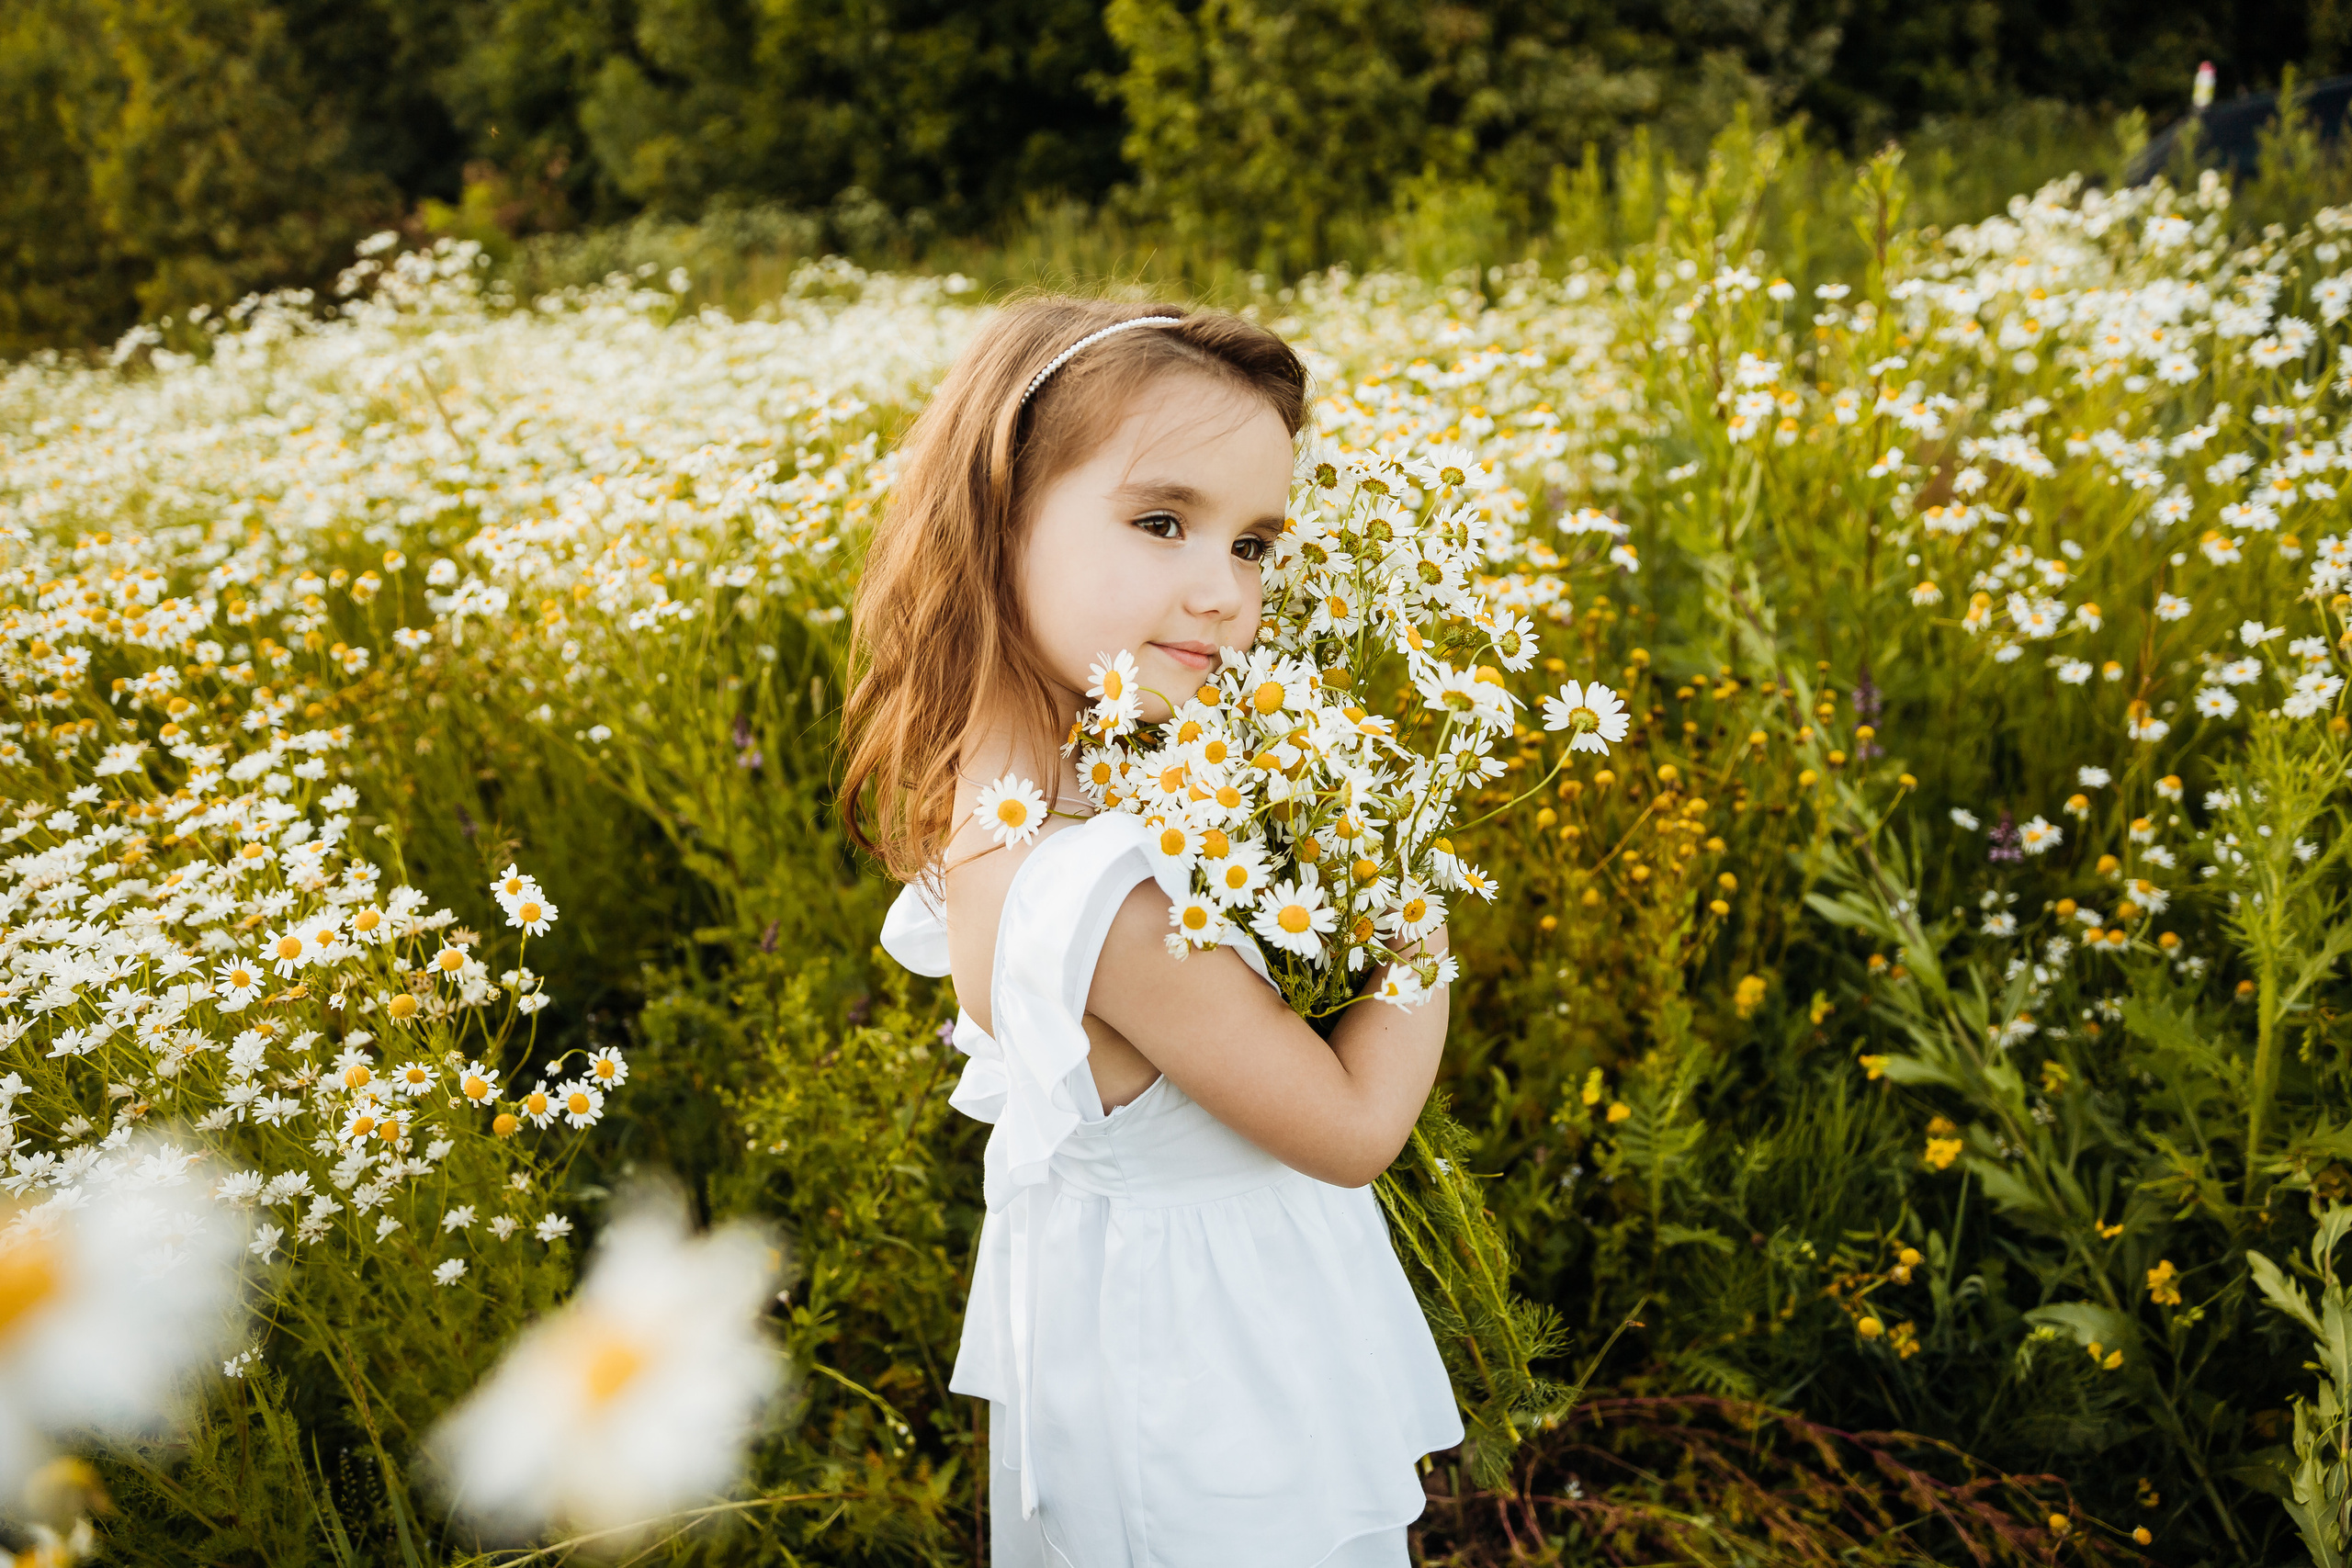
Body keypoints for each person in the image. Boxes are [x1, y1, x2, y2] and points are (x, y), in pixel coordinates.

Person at [841, 298, 1464, 1566]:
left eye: (1254, 546)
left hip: (1145, 1342)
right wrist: (1413, 913)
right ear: (999, 514)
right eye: (1163, 522)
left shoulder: (1006, 809)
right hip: (1219, 1392)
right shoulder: (1105, 892)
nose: (1223, 593)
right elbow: (1348, 1131)